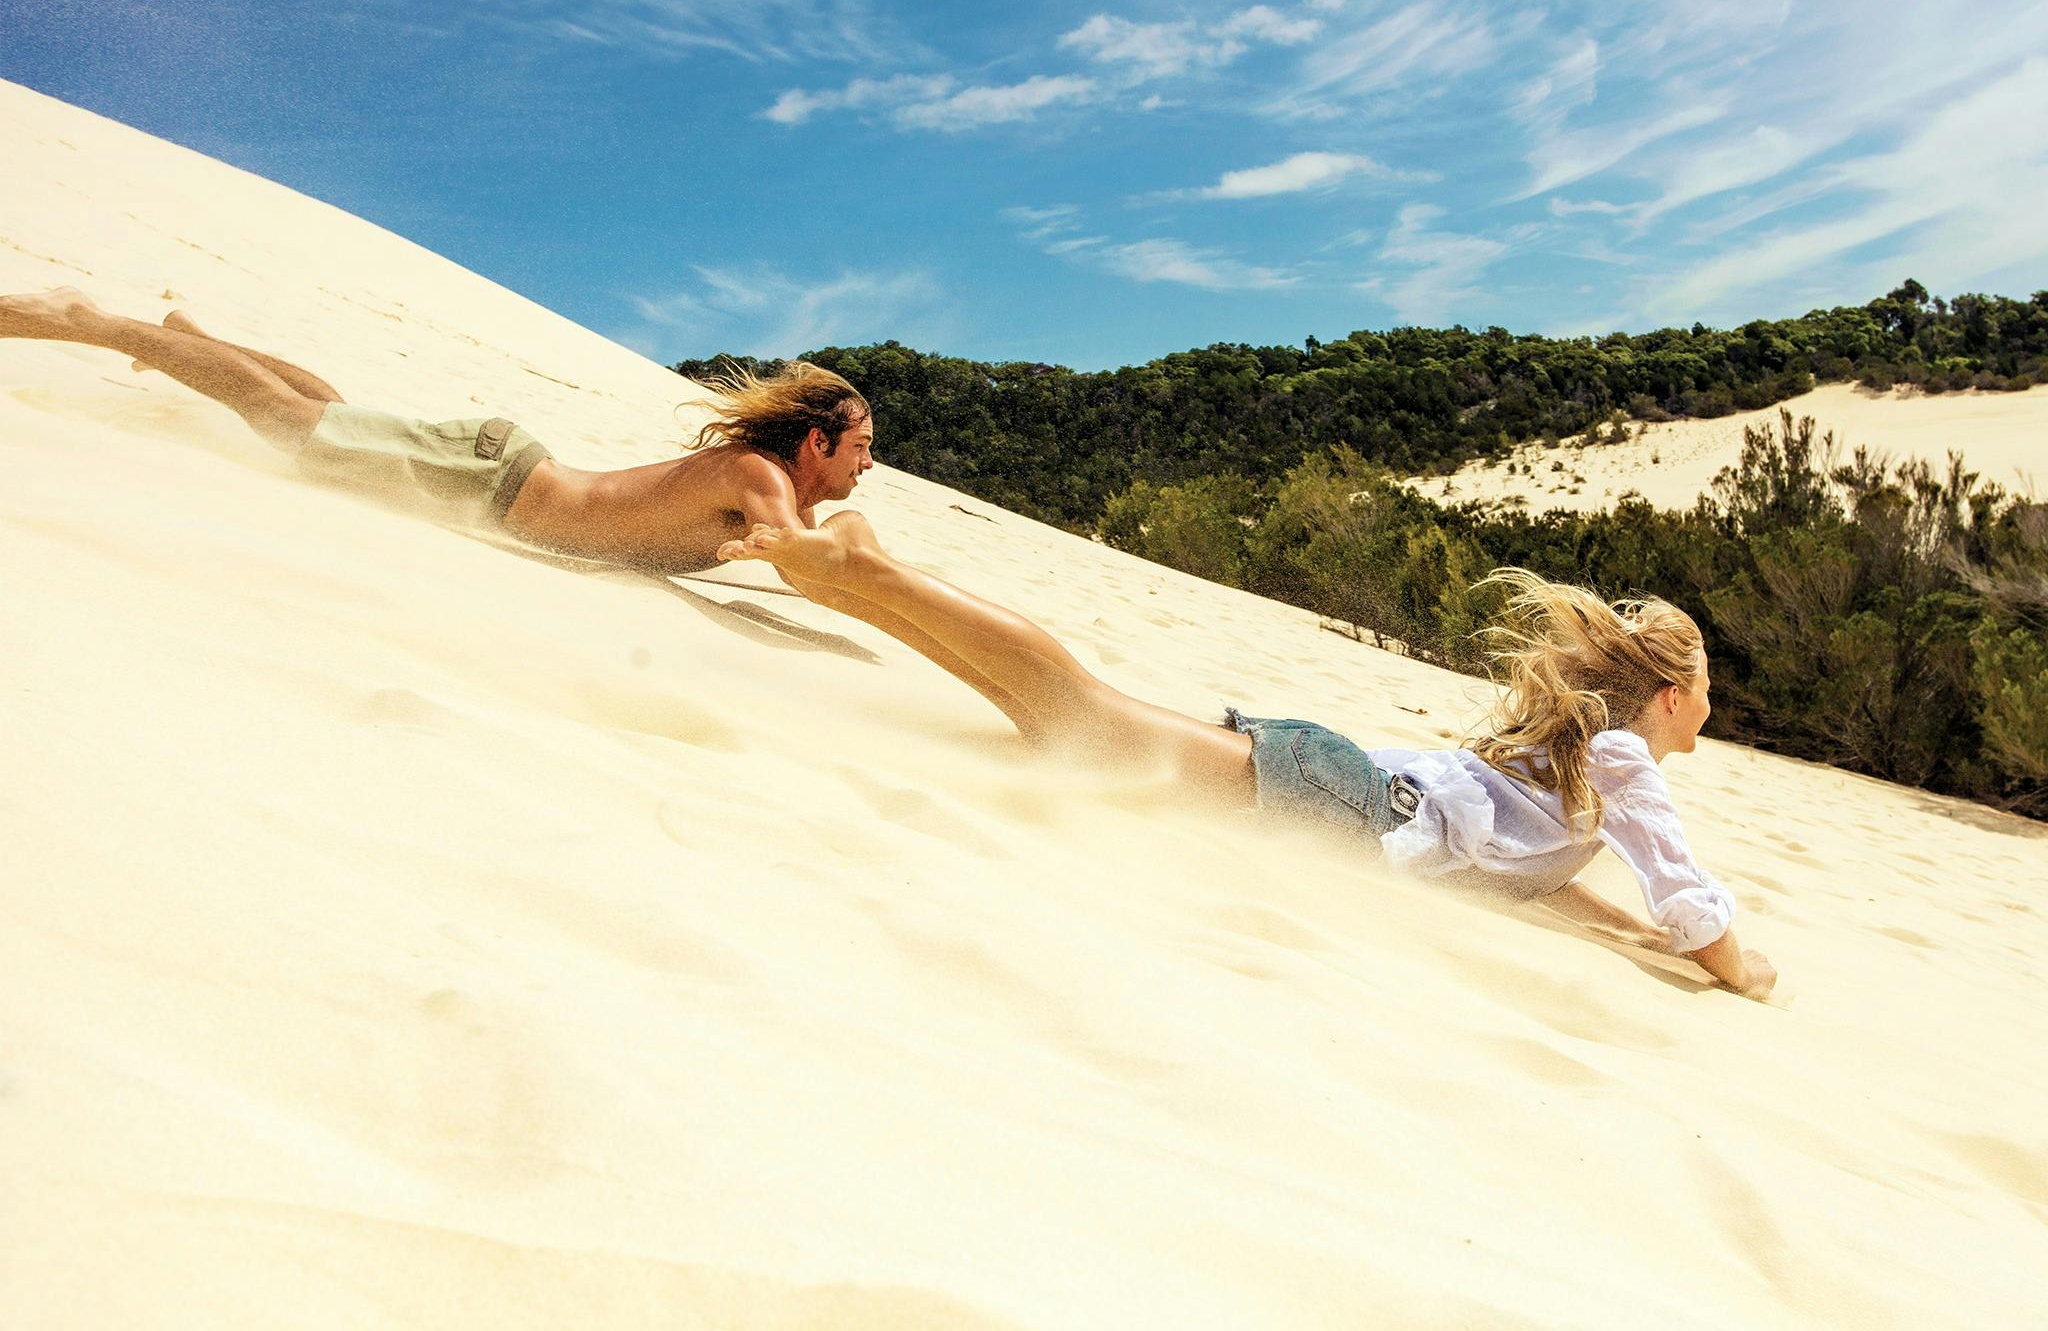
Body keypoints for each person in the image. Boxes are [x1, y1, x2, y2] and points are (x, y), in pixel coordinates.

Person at [719, 517, 1778, 999]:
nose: (1709, 714)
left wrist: (1634, 936)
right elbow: (1696, 907)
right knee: (1075, 712)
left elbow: (1532, 878)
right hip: (1340, 802)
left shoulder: (1577, 770)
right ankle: (872, 573)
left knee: (1054, 726)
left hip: (1337, 785)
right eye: (1707, 697)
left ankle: (861, 586)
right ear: (1673, 699)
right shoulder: (1627, 769)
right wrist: (1741, 972)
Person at [0, 285, 1033, 726]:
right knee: (289, 424)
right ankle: (99, 325)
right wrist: (860, 544)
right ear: (815, 442)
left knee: (321, 414)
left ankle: (193, 335)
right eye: (860, 451)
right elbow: (812, 562)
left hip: (496, 475)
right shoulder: (765, 482)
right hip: (491, 487)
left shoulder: (761, 480)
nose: (864, 470)